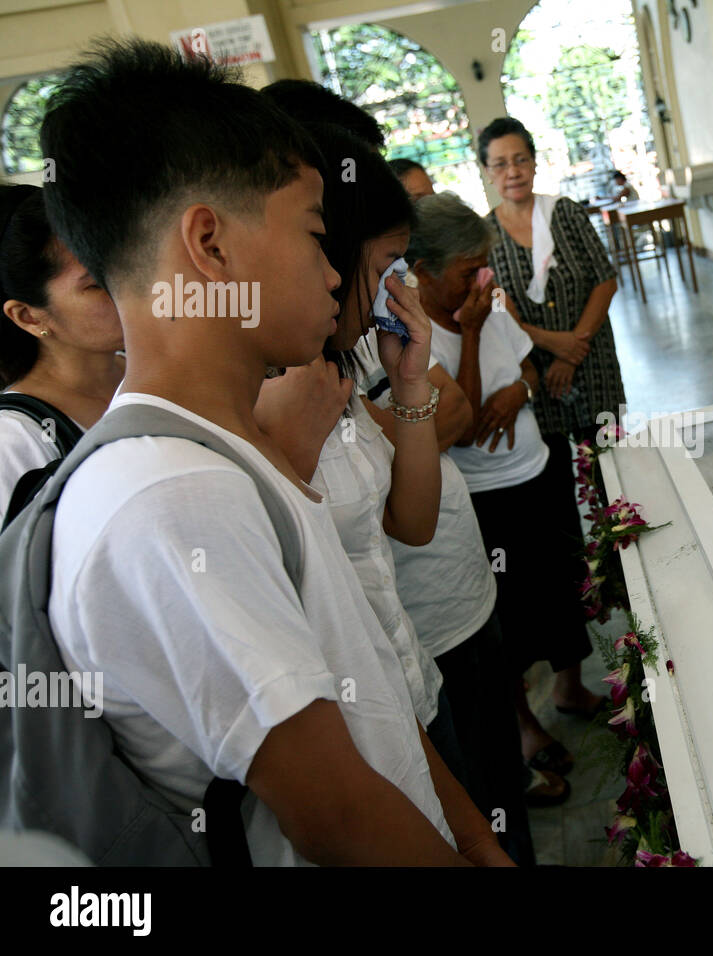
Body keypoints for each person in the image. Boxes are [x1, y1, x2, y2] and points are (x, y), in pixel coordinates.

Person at [40, 38, 509, 865]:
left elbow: (365, 688)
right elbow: (340, 818)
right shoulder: (169, 496)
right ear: (211, 246)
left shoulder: (225, 454)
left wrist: (472, 834)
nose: (333, 275)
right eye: (312, 232)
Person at [411, 191, 597, 781]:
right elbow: (460, 422)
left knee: (562, 585)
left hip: (536, 469)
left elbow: (525, 368)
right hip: (487, 497)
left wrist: (521, 391)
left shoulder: (488, 304)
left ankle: (571, 686)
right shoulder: (420, 337)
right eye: (467, 272)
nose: (480, 282)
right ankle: (524, 724)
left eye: (480, 268)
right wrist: (467, 332)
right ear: (423, 271)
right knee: (509, 618)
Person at [478, 117, 620, 764]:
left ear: (535, 163)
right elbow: (501, 315)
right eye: (500, 163)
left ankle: (623, 592)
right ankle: (572, 663)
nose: (513, 171)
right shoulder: (480, 237)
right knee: (561, 514)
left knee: (613, 489)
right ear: (485, 171)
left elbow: (603, 278)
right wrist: (549, 353)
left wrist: (576, 345)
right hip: (538, 380)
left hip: (590, 370)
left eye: (522, 159)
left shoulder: (565, 214)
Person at [0, 184, 122, 506]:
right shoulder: (13, 440)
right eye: (96, 284)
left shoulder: (161, 370)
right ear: (28, 316)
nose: (133, 288)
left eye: (126, 266)